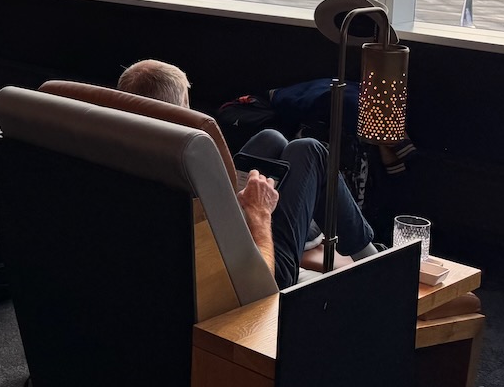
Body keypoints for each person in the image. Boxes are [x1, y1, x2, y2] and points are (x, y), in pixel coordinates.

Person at [117, 60, 375, 288]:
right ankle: (375, 262)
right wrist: (259, 211)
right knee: (311, 150)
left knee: (271, 139)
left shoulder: (126, 149)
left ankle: (310, 236)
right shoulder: (185, 155)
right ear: (180, 111)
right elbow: (260, 279)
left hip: (221, 229)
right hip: (263, 269)